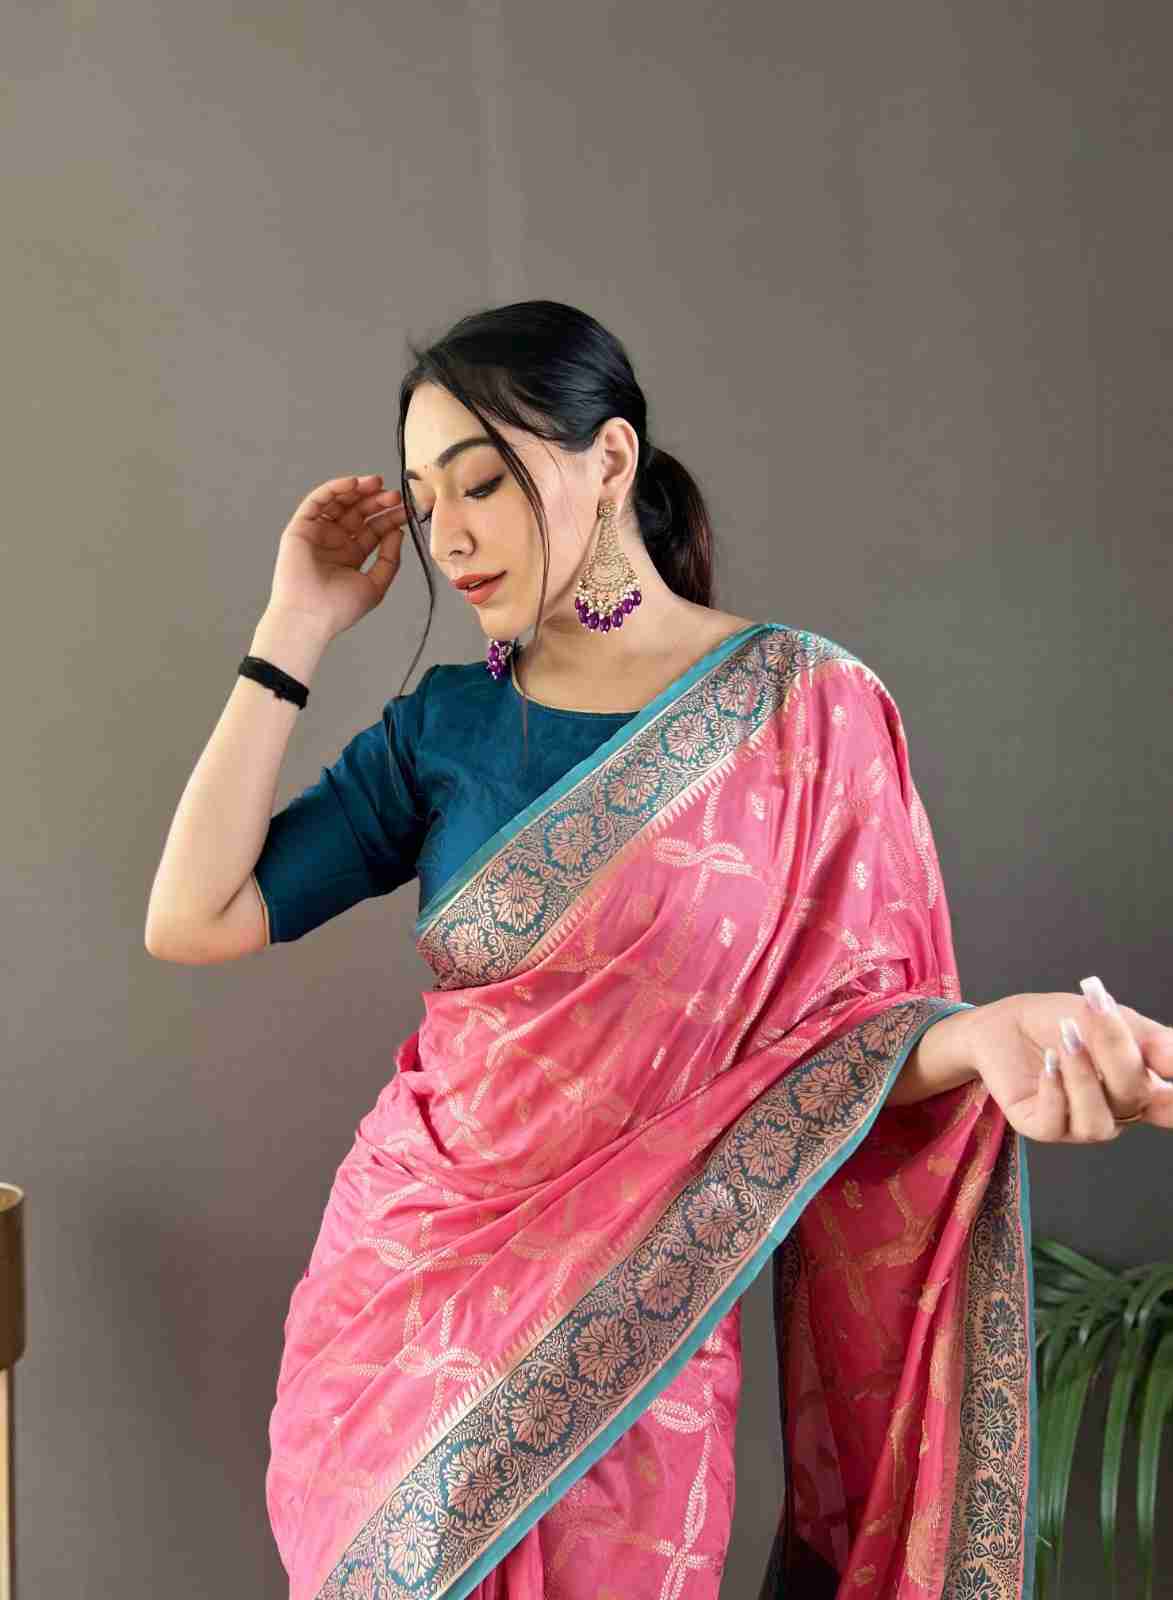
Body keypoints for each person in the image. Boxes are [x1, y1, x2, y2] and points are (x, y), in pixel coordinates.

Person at [145, 300, 1173, 1600]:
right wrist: (293, 626)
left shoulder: (801, 711)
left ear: (612, 459)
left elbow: (847, 1044)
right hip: (398, 1318)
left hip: (641, 1334)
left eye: (483, 483)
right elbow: (192, 916)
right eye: (424, 498)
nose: (447, 536)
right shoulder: (443, 729)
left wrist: (983, 1039)